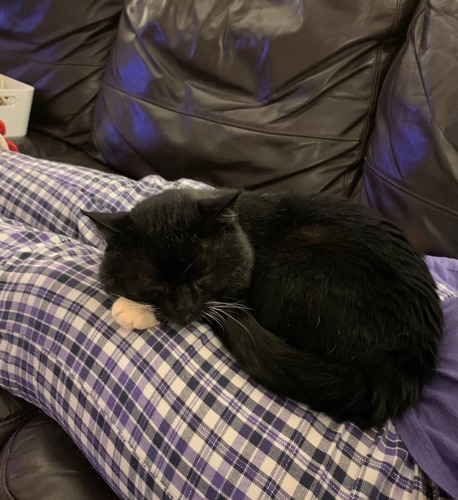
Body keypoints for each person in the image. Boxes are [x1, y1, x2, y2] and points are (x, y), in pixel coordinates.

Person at [1, 150, 456, 499]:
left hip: (380, 379)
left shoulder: (235, 243)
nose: (180, 313)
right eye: (165, 297)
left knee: (44, 284)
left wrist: (164, 297)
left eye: (194, 289)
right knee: (144, 199)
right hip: (415, 303)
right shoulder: (221, 234)